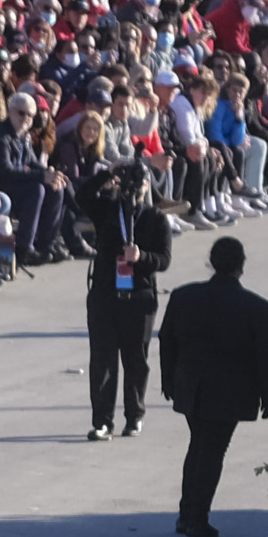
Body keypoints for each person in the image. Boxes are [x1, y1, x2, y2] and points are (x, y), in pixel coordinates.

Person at [154, 233, 268, 537]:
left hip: (190, 387)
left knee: (199, 446)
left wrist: (168, 380)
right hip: (228, 393)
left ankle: (187, 513)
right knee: (211, 451)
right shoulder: (257, 308)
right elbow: (267, 357)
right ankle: (196, 517)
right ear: (241, 266)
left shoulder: (183, 296)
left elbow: (166, 341)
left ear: (210, 263)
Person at [76, 158, 170, 442]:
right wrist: (107, 173)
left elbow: (164, 260)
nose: (135, 188)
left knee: (135, 359)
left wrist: (142, 257)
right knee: (102, 360)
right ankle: (102, 421)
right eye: (131, 182)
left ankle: (134, 415)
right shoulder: (107, 209)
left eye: (140, 183)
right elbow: (81, 197)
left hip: (138, 295)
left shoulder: (155, 218)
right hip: (105, 293)